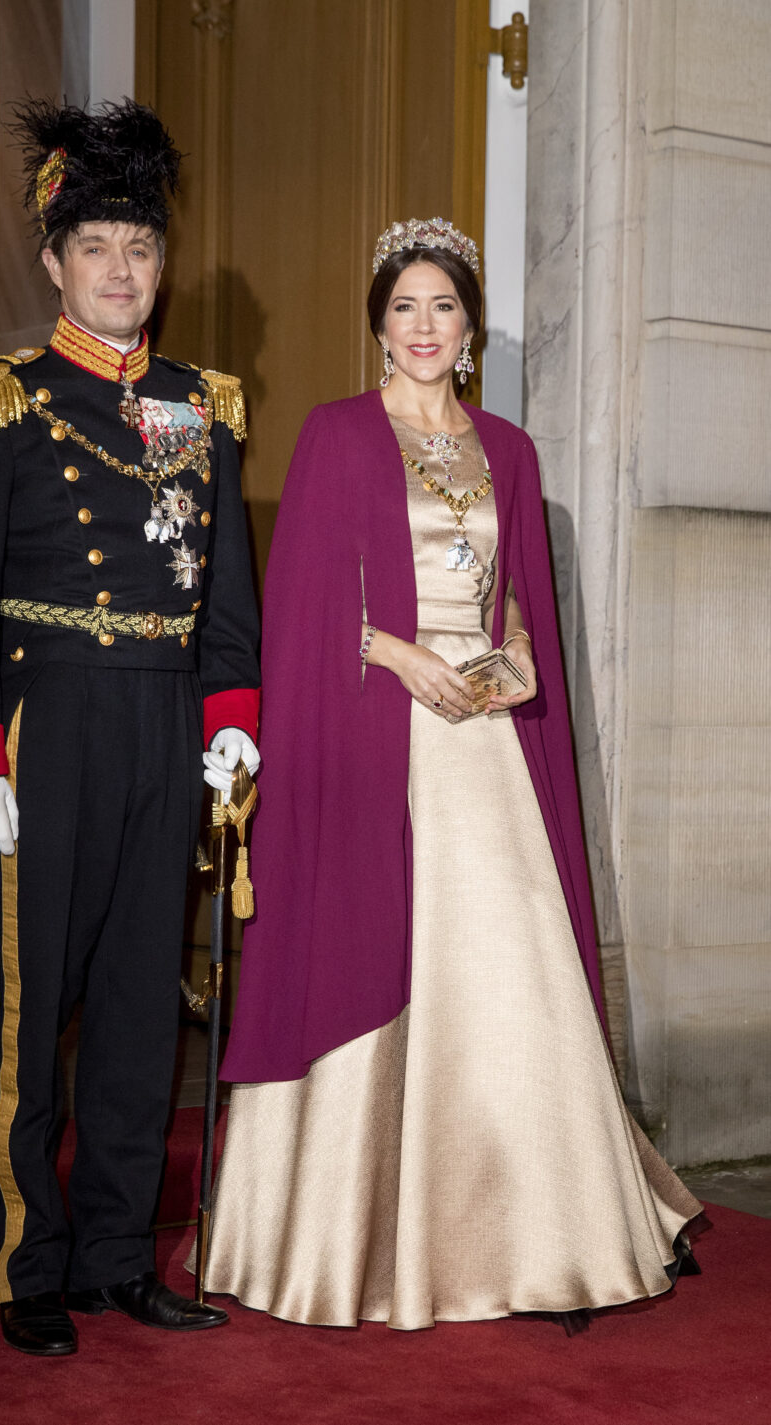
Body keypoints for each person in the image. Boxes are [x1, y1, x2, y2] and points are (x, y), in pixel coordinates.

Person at [196, 218, 701, 1330]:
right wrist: (396, 654)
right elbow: (305, 614)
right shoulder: (333, 436)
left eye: (443, 307)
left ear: (468, 327)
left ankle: (543, 1228)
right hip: (383, 735)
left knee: (512, 961)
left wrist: (515, 659)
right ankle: (342, 1239)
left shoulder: (507, 449)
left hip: (482, 750)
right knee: (378, 942)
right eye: (403, 307)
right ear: (378, 324)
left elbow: (513, 590)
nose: (423, 327)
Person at [0, 99, 261, 1357]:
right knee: (33, 1008)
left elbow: (227, 594)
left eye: (142, 248)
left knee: (131, 1011)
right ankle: (29, 1262)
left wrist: (232, 720)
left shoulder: (197, 407)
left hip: (163, 725)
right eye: (99, 246)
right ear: (56, 260)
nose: (123, 269)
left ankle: (120, 1256)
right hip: (42, 724)